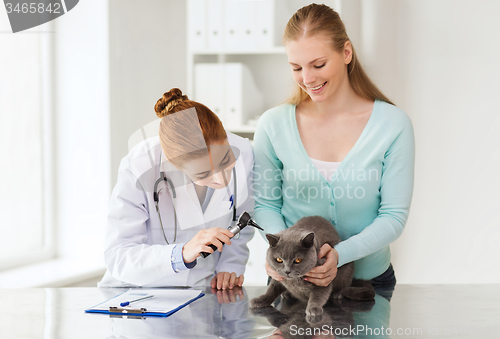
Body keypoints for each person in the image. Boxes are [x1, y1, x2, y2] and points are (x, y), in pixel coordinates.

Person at [253, 4, 414, 300]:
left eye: (318, 64)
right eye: (296, 67)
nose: (307, 78)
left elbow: (393, 217)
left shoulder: (393, 124)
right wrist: (280, 250)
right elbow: (265, 206)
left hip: (366, 284)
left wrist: (340, 255)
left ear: (347, 53)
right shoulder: (273, 125)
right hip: (292, 285)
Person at [99, 88, 254, 290]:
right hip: (137, 293)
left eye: (225, 160)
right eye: (203, 174)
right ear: (173, 163)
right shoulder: (140, 164)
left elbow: (242, 219)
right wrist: (181, 254)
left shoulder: (244, 151)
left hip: (203, 289)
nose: (221, 179)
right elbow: (119, 255)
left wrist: (229, 265)